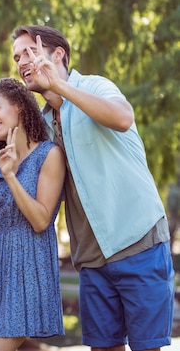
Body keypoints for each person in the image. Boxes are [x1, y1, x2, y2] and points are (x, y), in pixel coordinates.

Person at [12, 25, 174, 351]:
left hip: (138, 242)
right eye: (16, 57)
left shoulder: (94, 85)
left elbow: (123, 117)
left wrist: (60, 86)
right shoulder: (40, 126)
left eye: (30, 51)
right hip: (91, 258)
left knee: (148, 347)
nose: (22, 62)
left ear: (58, 54)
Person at [0, 77, 65, 350]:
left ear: (19, 106)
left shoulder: (50, 155)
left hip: (27, 263)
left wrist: (10, 175)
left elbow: (40, 220)